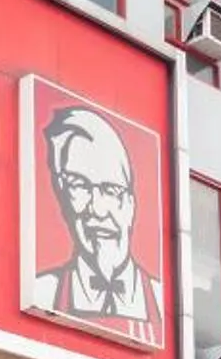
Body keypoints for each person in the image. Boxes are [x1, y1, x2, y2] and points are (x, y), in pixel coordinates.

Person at [28, 106, 162, 345]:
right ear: (63, 197)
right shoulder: (43, 291)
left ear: (130, 205)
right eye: (79, 186)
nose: (97, 209)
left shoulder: (162, 302)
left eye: (111, 190)